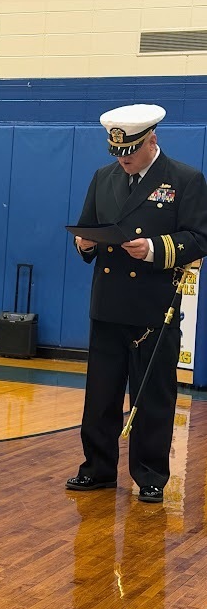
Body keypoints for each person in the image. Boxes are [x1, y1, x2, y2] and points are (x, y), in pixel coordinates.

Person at [66, 104, 207, 502]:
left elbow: (199, 238)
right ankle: (96, 468)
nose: (124, 160)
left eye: (130, 152)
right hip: (108, 304)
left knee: (152, 396)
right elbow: (88, 225)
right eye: (118, 153)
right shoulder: (103, 177)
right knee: (101, 394)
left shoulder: (185, 179)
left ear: (152, 141)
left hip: (153, 307)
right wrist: (85, 243)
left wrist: (152, 249)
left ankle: (150, 474)